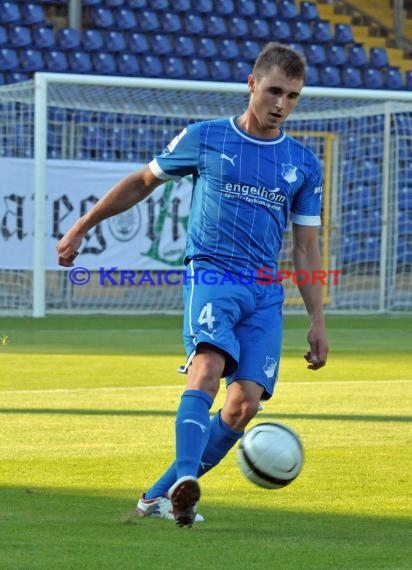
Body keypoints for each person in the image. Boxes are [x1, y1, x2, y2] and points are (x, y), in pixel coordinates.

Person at [57, 42, 329, 527]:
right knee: (205, 367)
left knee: (242, 406)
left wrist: (317, 320)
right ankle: (187, 482)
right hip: (212, 273)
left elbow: (307, 246)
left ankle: (158, 497)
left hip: (266, 291)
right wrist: (84, 224)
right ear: (252, 85)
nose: (281, 104)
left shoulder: (303, 164)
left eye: (292, 96)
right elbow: (144, 181)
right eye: (273, 91)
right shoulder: (207, 138)